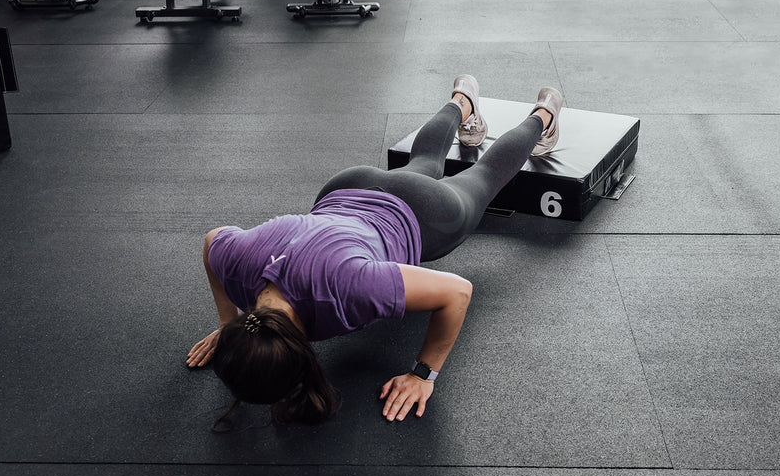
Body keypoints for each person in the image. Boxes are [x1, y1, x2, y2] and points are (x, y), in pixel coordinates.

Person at [186, 75, 563, 425]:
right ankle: (462, 100)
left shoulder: (350, 288)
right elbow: (212, 240)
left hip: (424, 212)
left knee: (484, 176)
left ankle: (546, 111)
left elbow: (457, 291)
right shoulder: (236, 265)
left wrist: (423, 374)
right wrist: (226, 325)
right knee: (422, 163)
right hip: (346, 186)